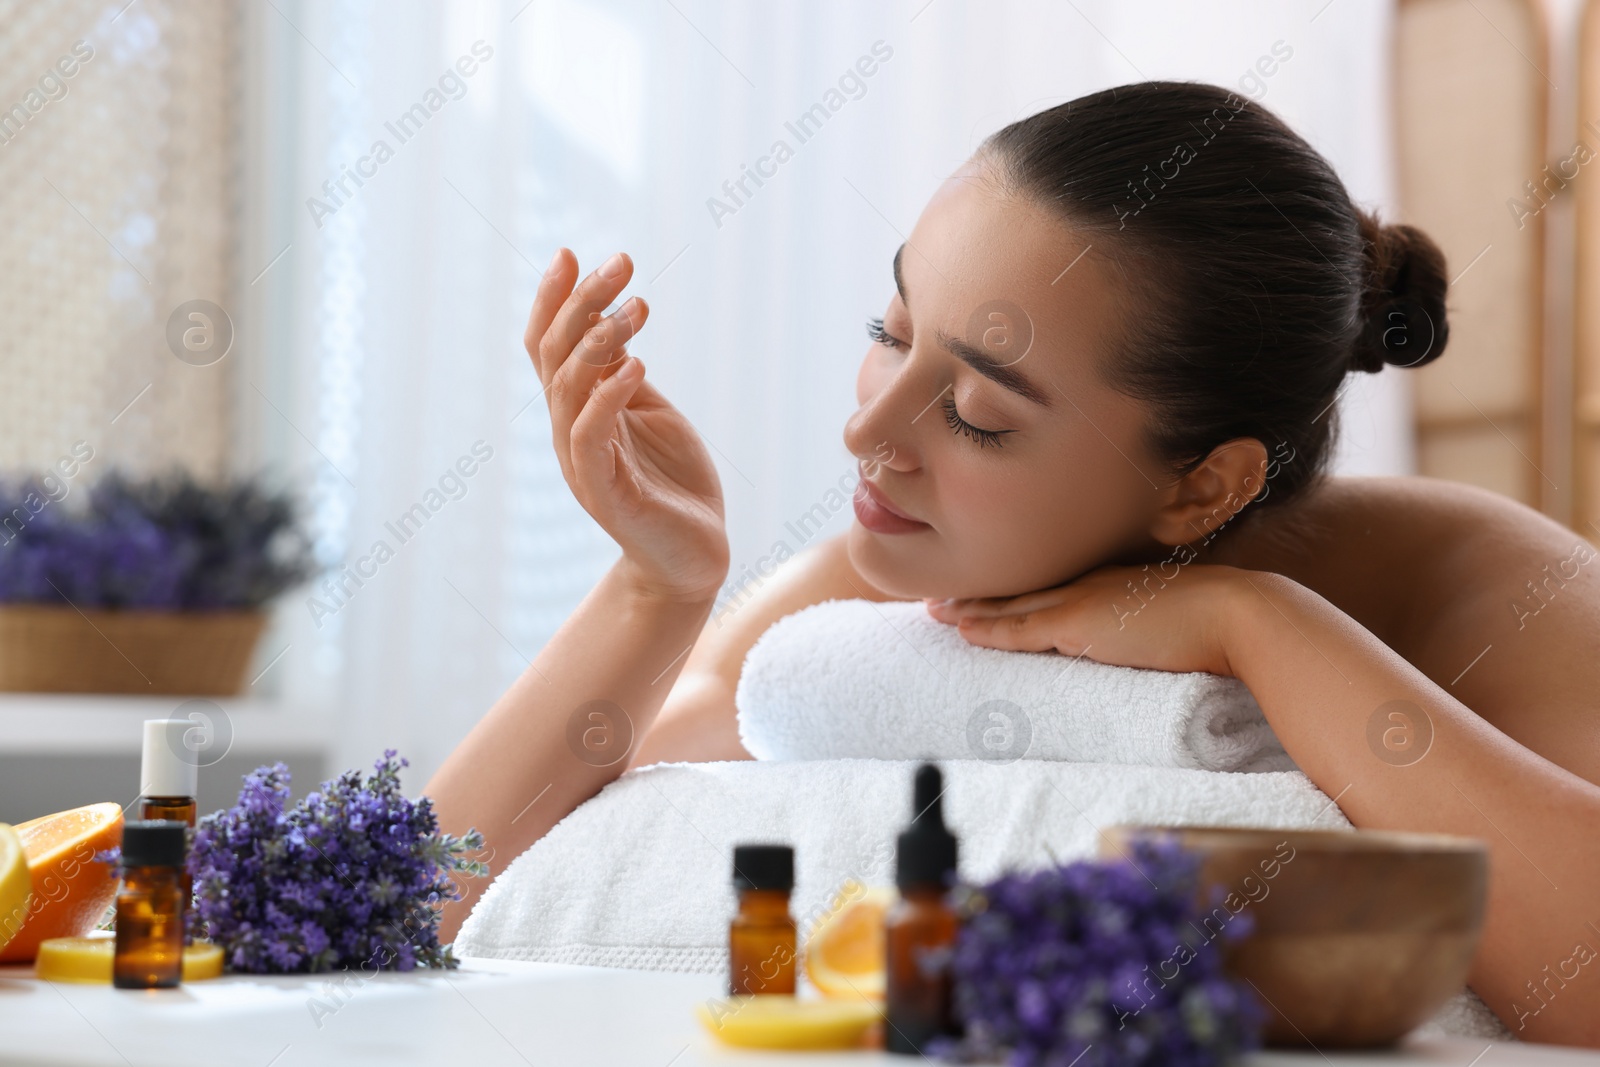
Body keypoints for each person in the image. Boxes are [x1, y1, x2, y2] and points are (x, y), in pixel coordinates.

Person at [425, 80, 1600, 1046]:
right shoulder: (891, 575)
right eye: (888, 333)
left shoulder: (1483, 583)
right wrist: (656, 588)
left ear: (1203, 482)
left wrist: (1261, 625)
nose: (869, 434)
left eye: (980, 412)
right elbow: (428, 881)